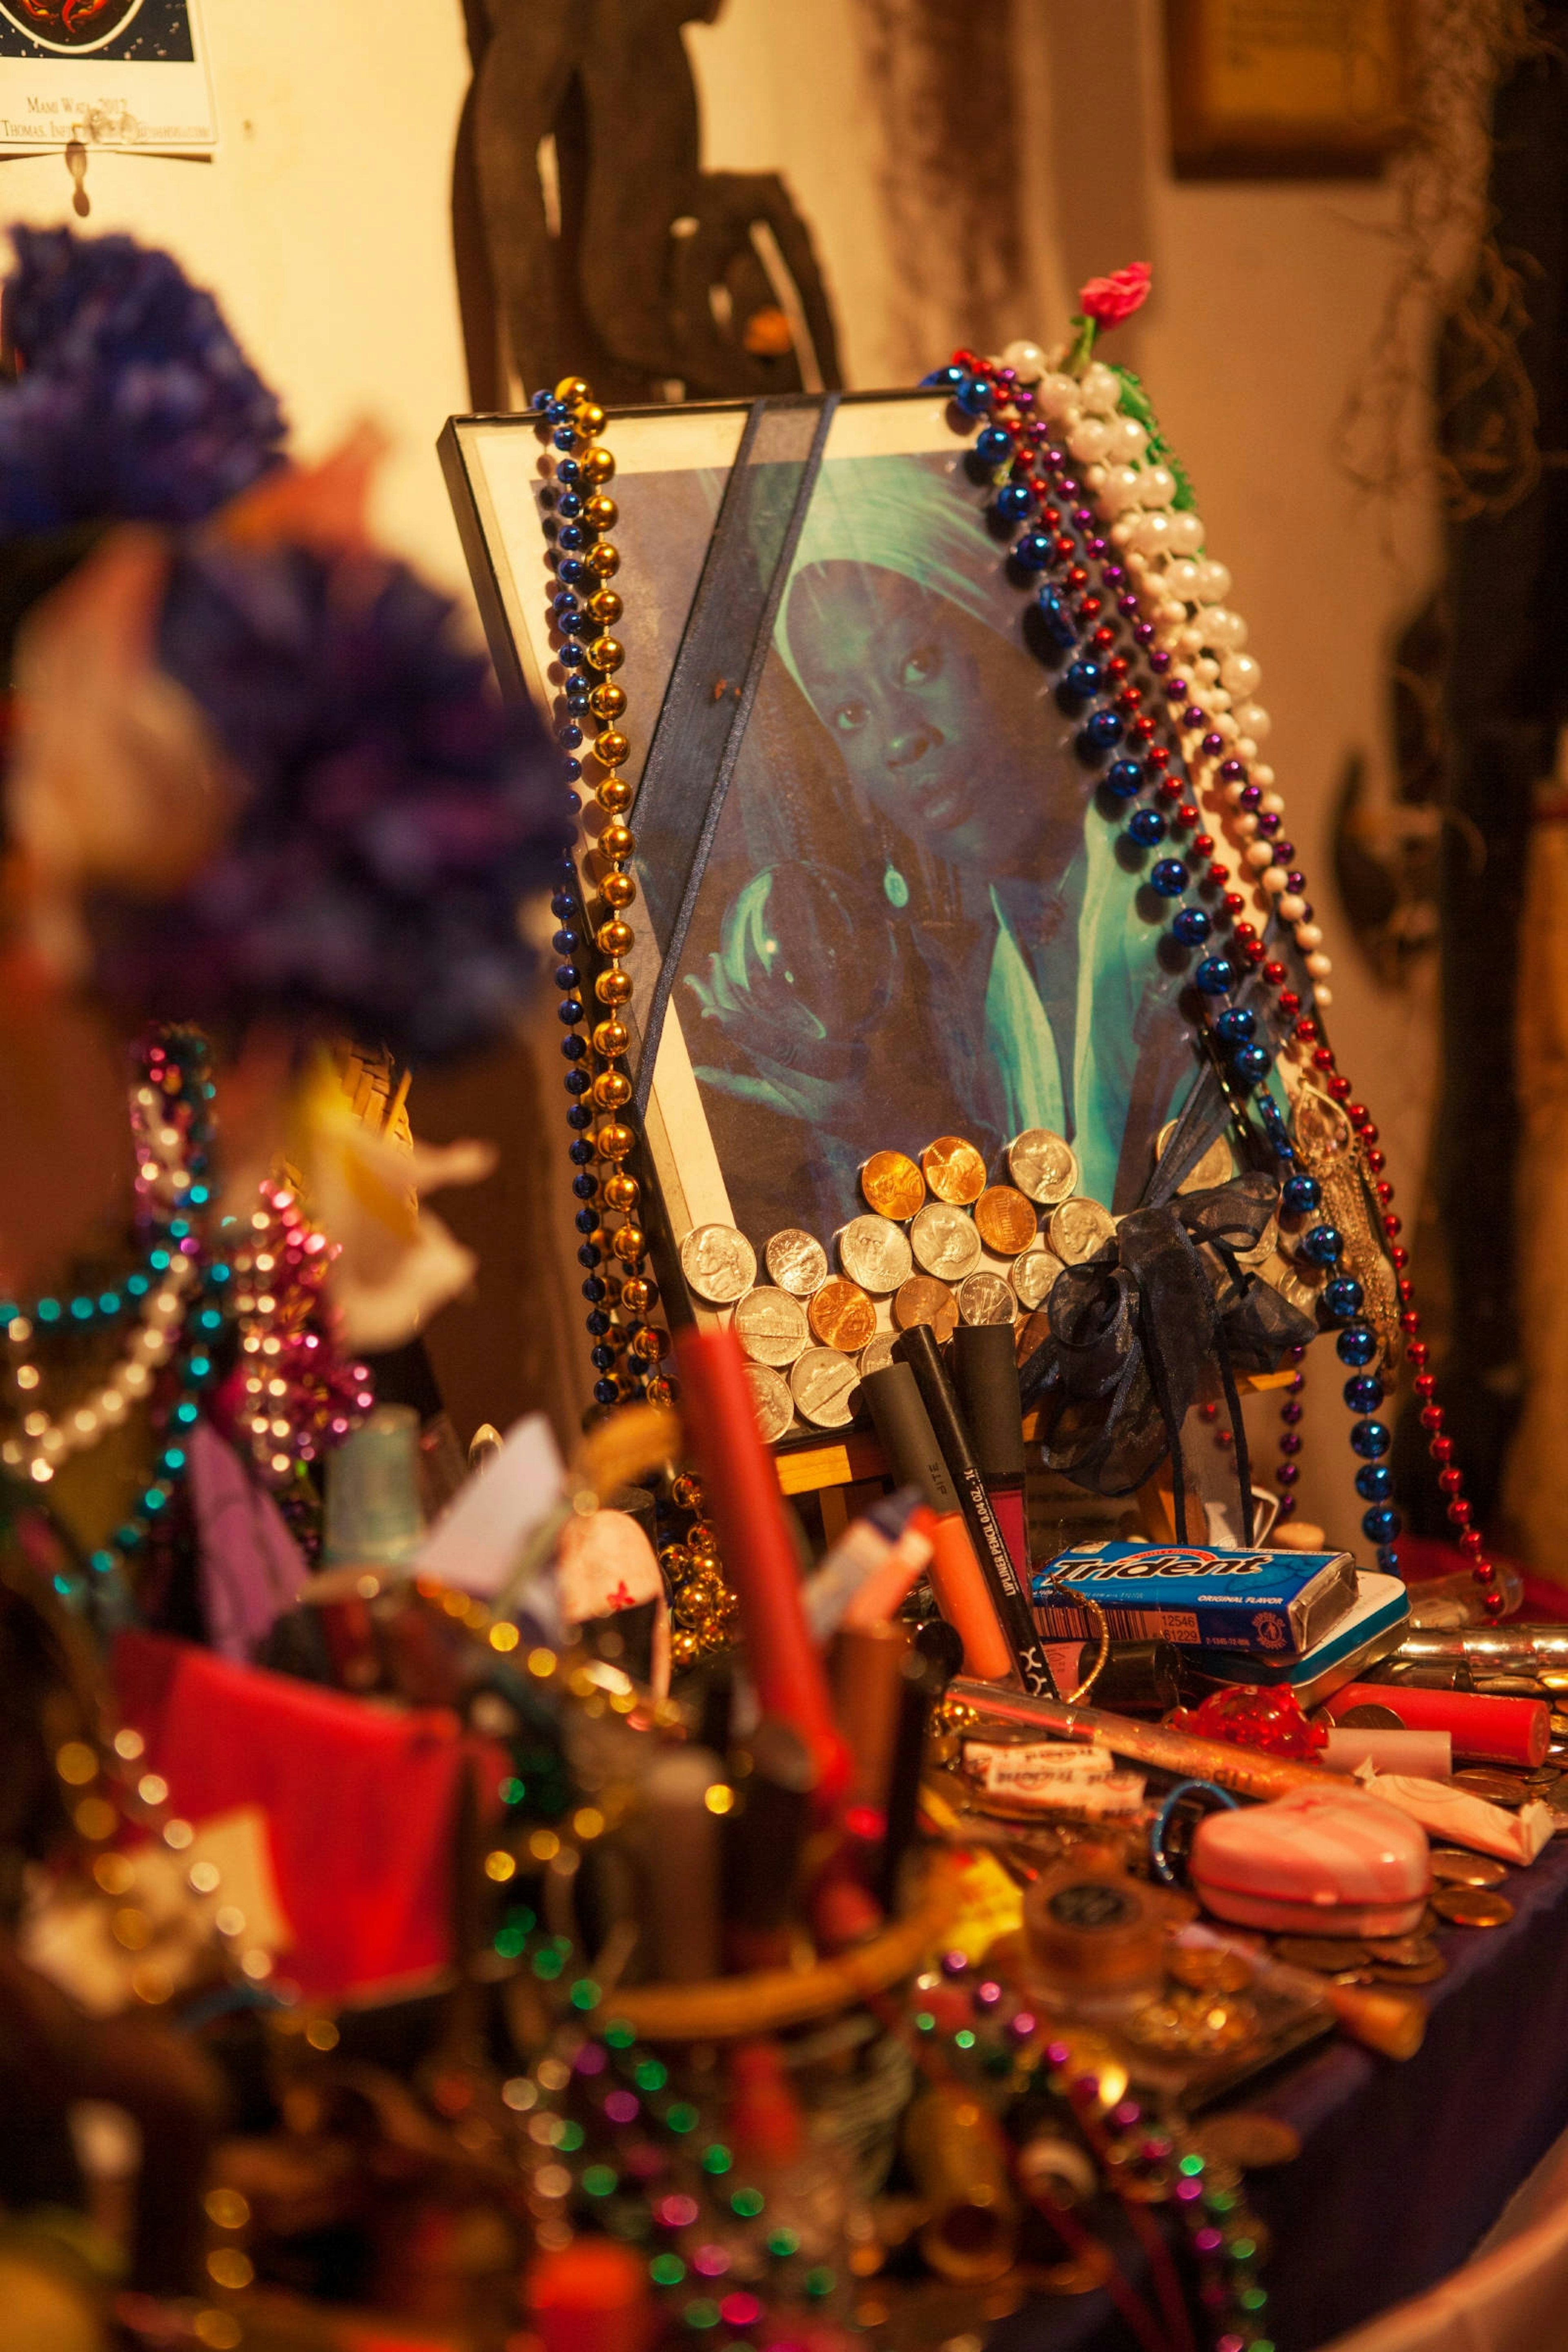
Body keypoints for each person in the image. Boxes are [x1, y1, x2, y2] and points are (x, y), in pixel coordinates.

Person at [681, 451, 1195, 1226]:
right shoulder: (996, 990)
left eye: (918, 665)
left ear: (1010, 648)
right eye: (850, 714)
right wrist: (865, 1122)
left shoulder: (1168, 919)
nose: (899, 741)